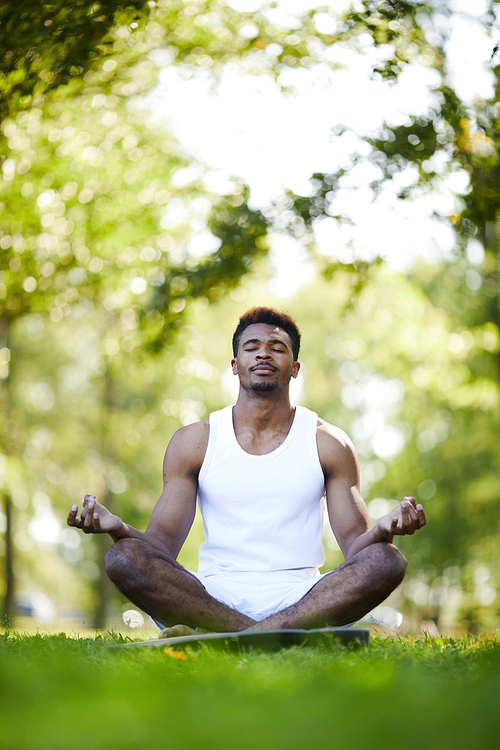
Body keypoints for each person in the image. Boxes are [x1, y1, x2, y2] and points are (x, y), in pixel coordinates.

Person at [67, 306, 426, 636]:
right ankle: (269, 636)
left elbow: (357, 549)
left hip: (302, 599)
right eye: (252, 346)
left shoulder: (328, 443)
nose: (264, 353)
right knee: (124, 557)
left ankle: (242, 636)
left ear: (295, 368)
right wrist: (119, 529)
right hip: (210, 598)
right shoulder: (196, 441)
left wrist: (383, 529)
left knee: (386, 560)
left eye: (277, 347)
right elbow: (161, 545)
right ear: (236, 364)